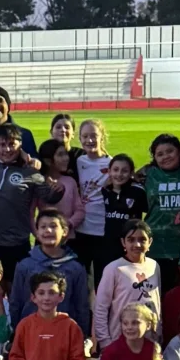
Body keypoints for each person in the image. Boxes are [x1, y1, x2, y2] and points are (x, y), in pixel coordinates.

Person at [0, 124, 62, 284]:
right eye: (2, 144)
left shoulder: (29, 172)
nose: (7, 149)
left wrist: (58, 189)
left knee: (16, 291)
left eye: (12, 144)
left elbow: (49, 196)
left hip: (16, 244)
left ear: (20, 146)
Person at [9, 210, 90, 334]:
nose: (48, 230)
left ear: (65, 231)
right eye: (43, 227)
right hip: (30, 334)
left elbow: (82, 306)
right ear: (36, 232)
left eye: (53, 226)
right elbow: (16, 302)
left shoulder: (76, 268)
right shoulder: (25, 265)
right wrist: (15, 333)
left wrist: (82, 335)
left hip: (64, 334)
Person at [140, 134, 180, 295]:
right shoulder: (148, 174)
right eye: (160, 154)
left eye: (170, 151)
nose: (166, 156)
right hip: (154, 247)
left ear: (179, 152)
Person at [93, 219, 161, 351]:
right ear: (123, 242)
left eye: (142, 239)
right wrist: (105, 341)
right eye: (131, 239)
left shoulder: (154, 266)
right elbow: (100, 308)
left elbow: (157, 304)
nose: (137, 244)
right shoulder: (114, 268)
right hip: (119, 341)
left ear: (150, 242)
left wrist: (158, 333)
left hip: (148, 341)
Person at [71, 119, 112, 285]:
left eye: (94, 135)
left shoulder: (112, 164)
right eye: (85, 136)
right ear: (79, 139)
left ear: (102, 137)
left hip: (103, 231)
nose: (89, 140)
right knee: (82, 279)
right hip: (82, 230)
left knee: (102, 280)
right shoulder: (79, 162)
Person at [99, 155, 146, 266]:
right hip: (108, 243)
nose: (119, 174)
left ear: (131, 173)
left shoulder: (138, 191)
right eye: (115, 170)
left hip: (130, 244)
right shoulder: (105, 190)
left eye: (124, 171)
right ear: (109, 171)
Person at [37, 139, 84, 237]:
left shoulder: (70, 182)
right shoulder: (39, 182)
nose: (66, 158)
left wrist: (67, 224)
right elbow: (30, 212)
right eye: (60, 155)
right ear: (48, 161)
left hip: (68, 237)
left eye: (66, 154)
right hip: (45, 237)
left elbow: (79, 210)